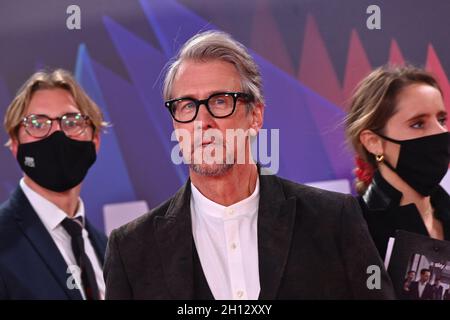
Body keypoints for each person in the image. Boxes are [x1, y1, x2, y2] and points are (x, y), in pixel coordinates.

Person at [104, 30, 394, 300]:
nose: (202, 122)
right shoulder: (131, 249)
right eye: (187, 106)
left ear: (255, 116)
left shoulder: (333, 220)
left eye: (219, 101)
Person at [0, 69, 108, 299]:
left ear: (95, 140)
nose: (57, 133)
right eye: (38, 124)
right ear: (16, 144)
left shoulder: (109, 248)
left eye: (72, 121)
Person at [345, 65, 450, 261]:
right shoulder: (354, 232)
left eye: (441, 120)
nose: (441, 133)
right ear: (374, 142)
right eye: (418, 124)